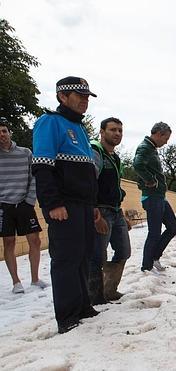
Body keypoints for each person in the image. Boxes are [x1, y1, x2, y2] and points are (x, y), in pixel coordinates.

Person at [32, 76, 101, 334]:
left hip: (83, 206)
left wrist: (92, 204)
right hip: (64, 205)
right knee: (65, 259)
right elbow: (42, 168)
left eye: (87, 97)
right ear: (63, 96)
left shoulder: (80, 129)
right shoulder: (49, 123)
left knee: (83, 256)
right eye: (79, 96)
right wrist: (52, 204)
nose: (85, 101)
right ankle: (67, 315)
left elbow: (85, 172)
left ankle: (83, 305)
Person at [0, 117, 47, 294]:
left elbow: (34, 177)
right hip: (4, 206)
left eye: (4, 131)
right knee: (9, 242)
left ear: (9, 133)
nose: (1, 135)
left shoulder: (25, 153)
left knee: (35, 241)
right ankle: (16, 282)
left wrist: (30, 201)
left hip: (25, 204)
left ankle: (35, 279)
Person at [88, 117, 132, 304]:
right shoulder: (95, 151)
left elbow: (114, 186)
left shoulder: (114, 157)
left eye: (120, 130)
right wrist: (95, 213)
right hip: (101, 211)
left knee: (123, 251)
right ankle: (94, 298)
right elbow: (89, 183)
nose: (117, 133)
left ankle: (109, 290)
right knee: (97, 256)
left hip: (115, 211)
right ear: (102, 131)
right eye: (113, 129)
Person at [133, 122, 176, 274]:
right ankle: (146, 266)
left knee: (174, 227)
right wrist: (150, 180)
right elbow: (138, 164)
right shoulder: (145, 147)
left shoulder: (151, 148)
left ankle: (154, 257)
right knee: (154, 232)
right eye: (166, 138)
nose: (166, 142)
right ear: (159, 134)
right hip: (152, 196)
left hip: (159, 196)